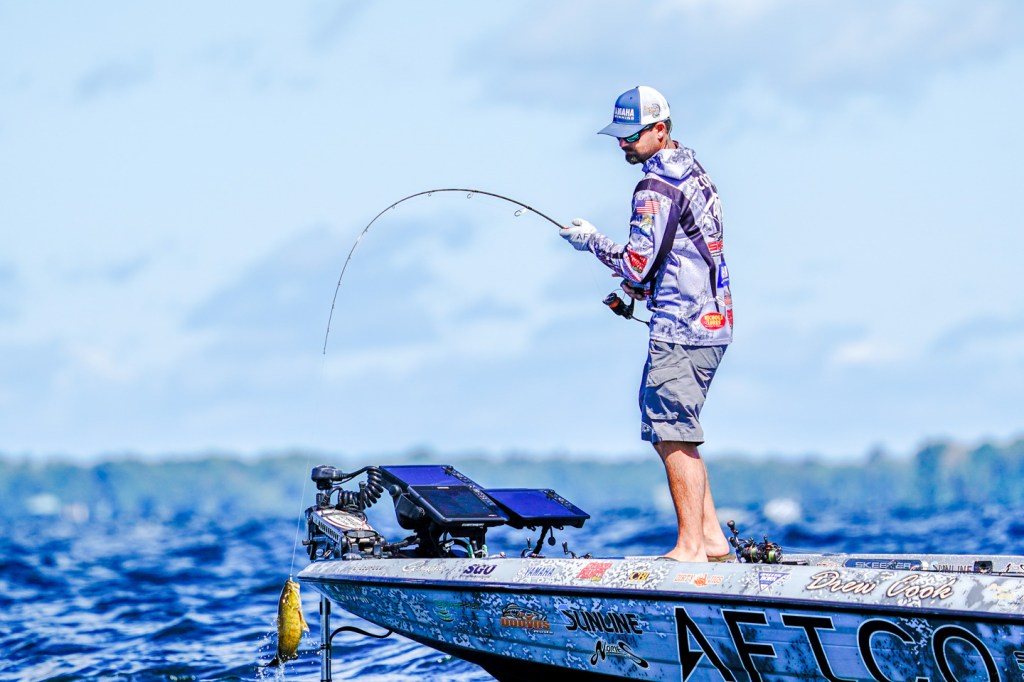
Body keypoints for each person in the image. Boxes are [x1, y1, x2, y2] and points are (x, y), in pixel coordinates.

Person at [559, 85, 734, 562]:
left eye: (632, 135)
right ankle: (711, 539)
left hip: (681, 326)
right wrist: (635, 293)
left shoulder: (654, 188)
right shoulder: (693, 170)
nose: (623, 144)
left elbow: (638, 262)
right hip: (711, 320)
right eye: (618, 135)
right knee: (676, 429)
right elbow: (675, 251)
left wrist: (591, 241)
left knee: (672, 433)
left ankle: (690, 548)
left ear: (660, 129)